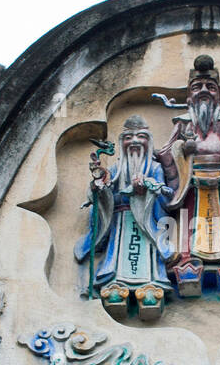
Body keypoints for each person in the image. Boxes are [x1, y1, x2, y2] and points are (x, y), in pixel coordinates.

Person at [154, 55, 220, 299]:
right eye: (197, 87)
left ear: (219, 95)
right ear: (189, 95)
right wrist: (182, 151)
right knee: (188, 227)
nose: (203, 91)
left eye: (210, 87)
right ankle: (188, 264)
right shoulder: (182, 123)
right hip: (191, 184)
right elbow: (165, 153)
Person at [74, 114, 174, 320]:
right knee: (116, 259)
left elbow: (166, 198)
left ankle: (150, 289)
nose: (135, 141)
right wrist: (99, 189)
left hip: (145, 223)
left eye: (141, 136)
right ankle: (115, 288)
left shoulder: (154, 168)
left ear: (148, 141)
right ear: (122, 142)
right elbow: (105, 194)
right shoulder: (114, 169)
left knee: (148, 262)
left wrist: (148, 190)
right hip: (121, 222)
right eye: (129, 137)